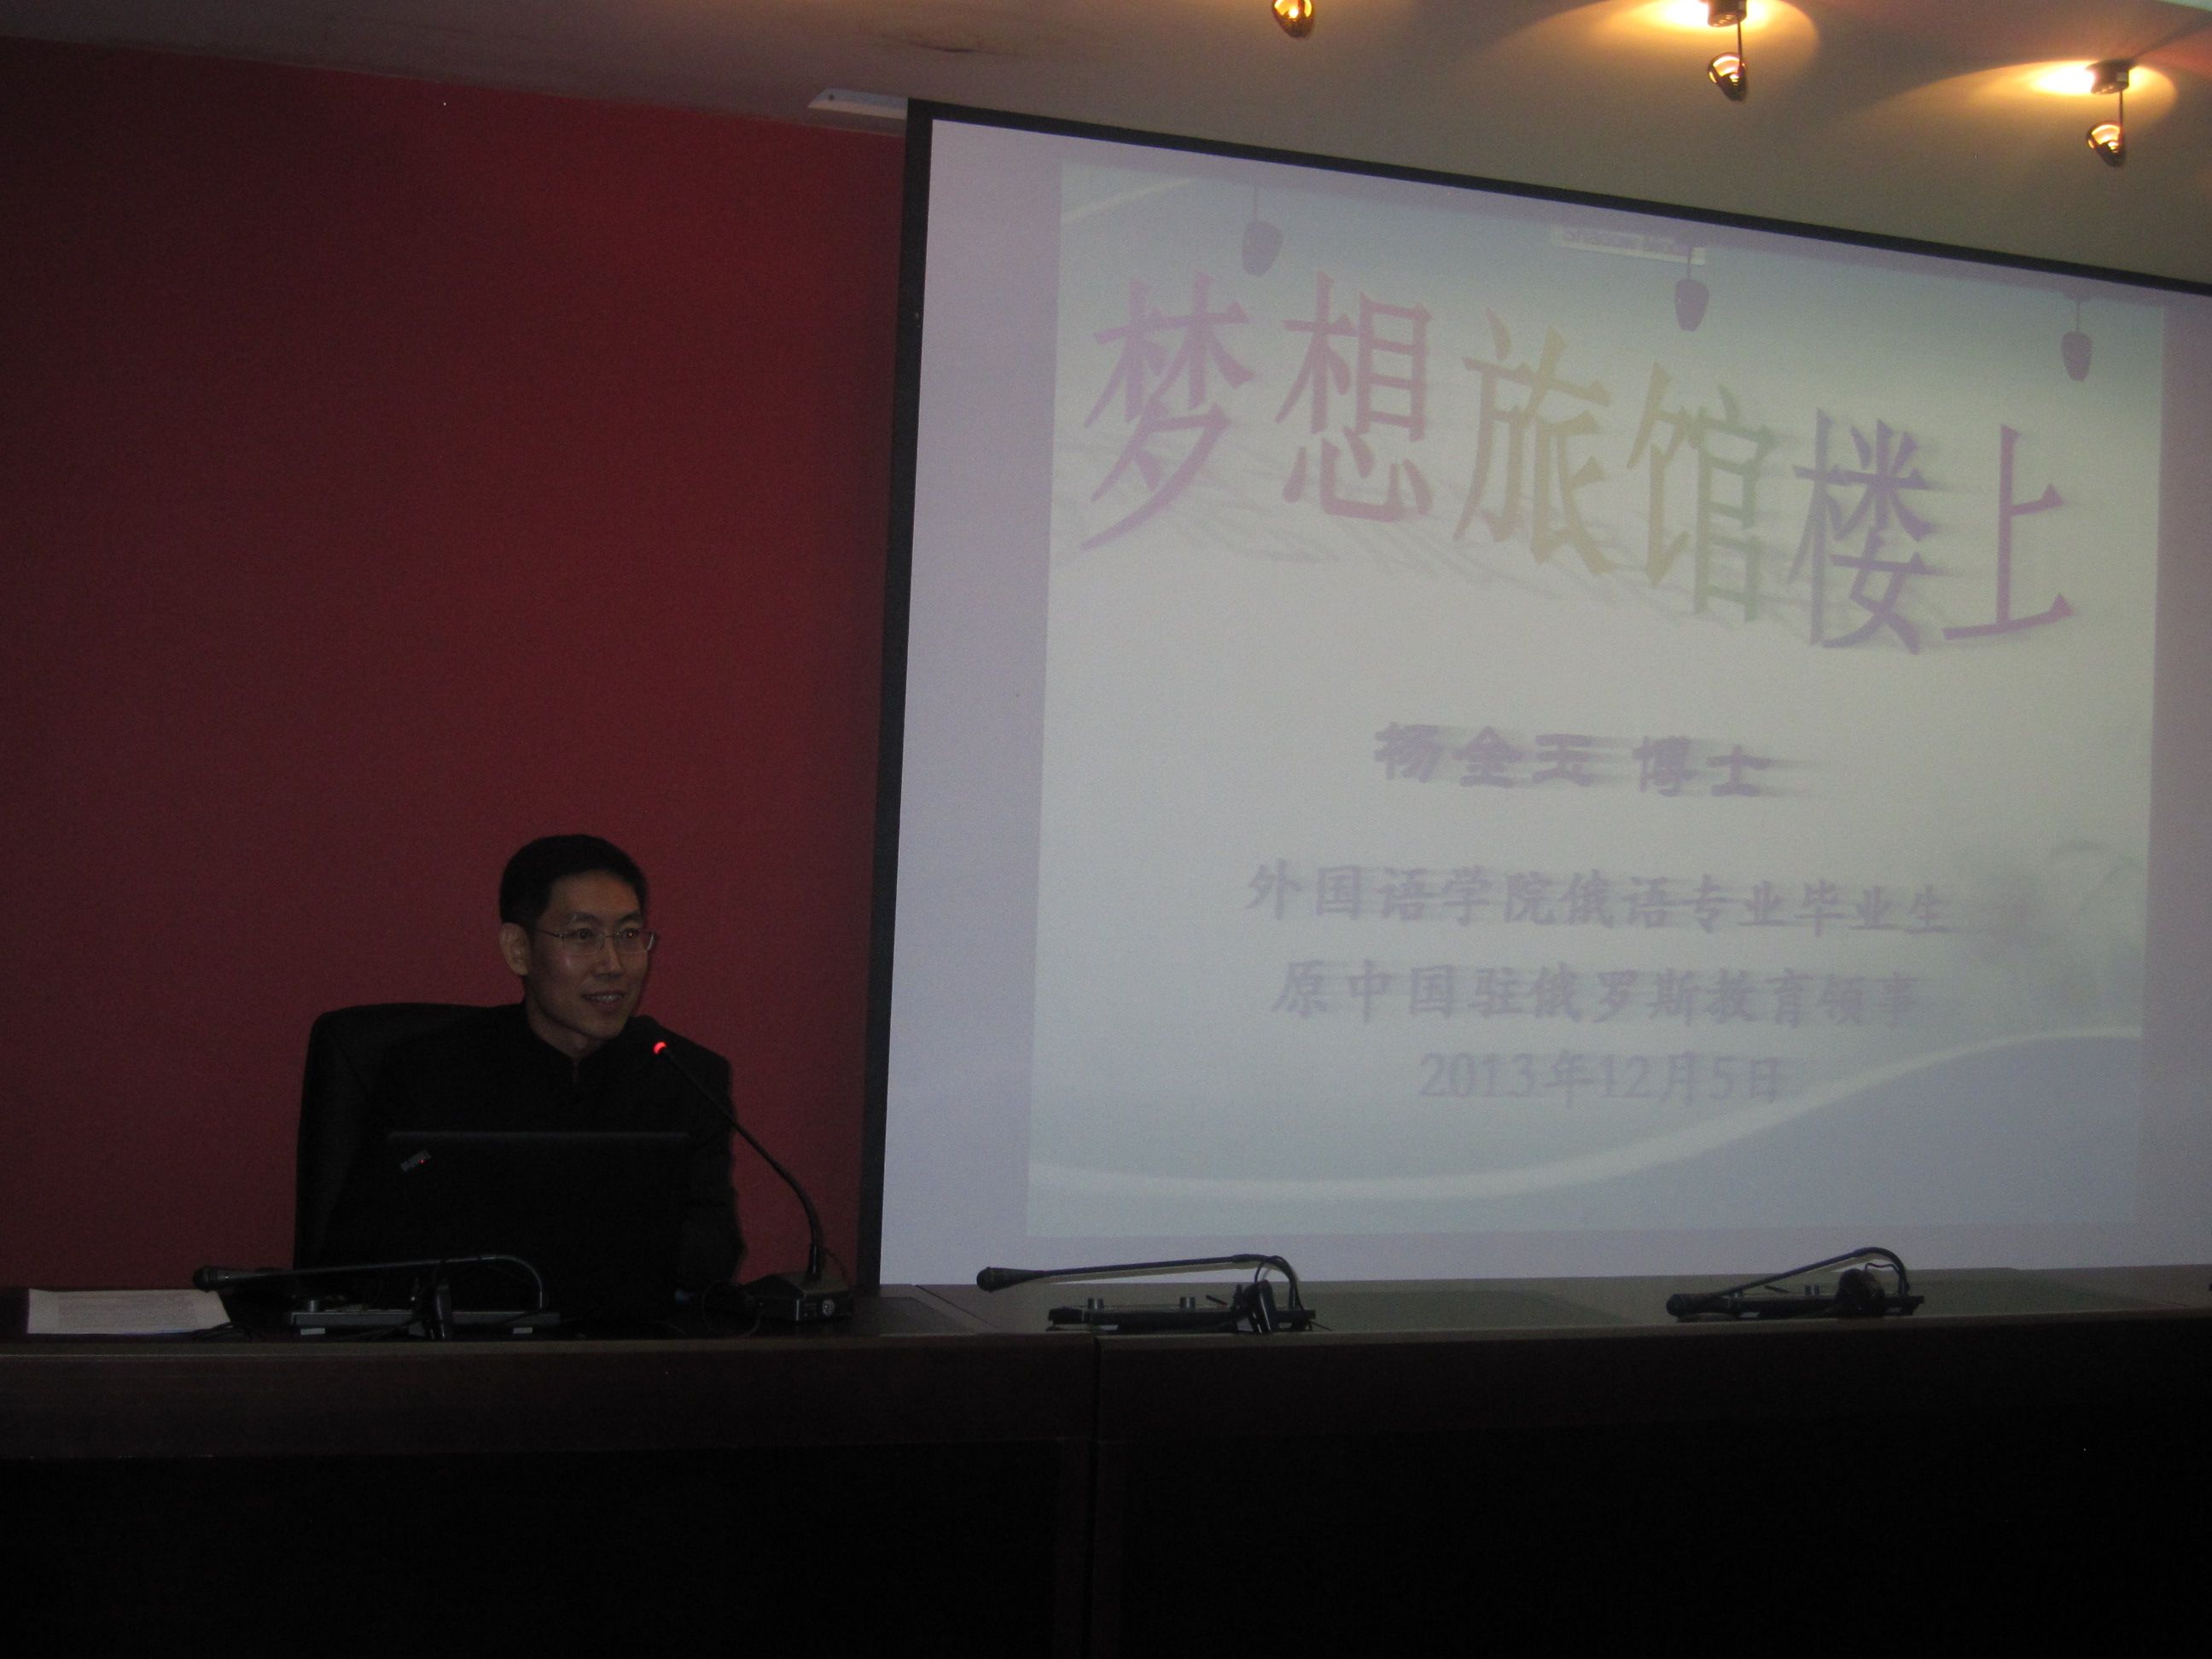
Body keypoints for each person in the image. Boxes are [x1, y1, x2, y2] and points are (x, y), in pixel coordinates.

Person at [327, 834, 741, 1299]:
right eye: (583, 936)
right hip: (471, 1337)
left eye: (628, 935)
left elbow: (715, 1253)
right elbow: (355, 1255)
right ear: (518, 949)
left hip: (627, 1336)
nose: (613, 965)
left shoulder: (686, 1076)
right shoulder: (430, 1072)